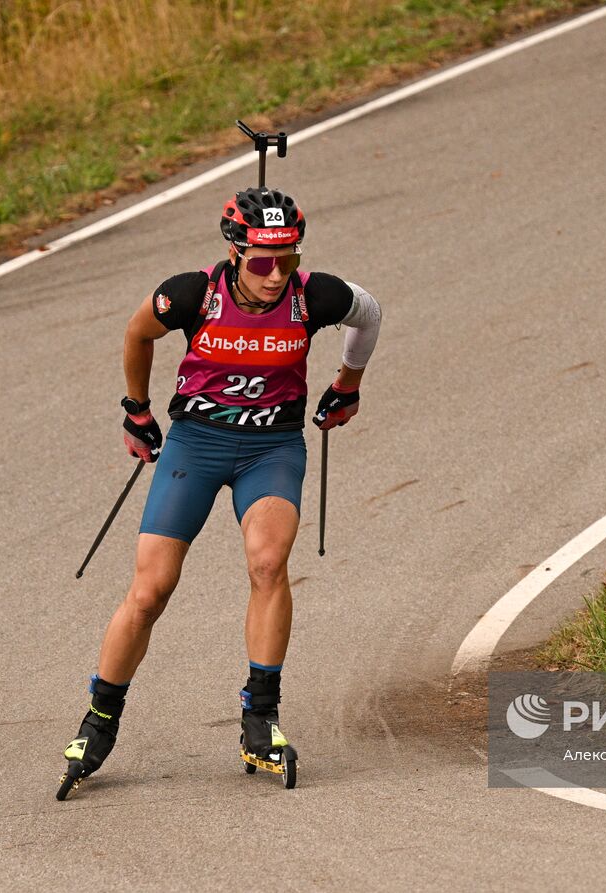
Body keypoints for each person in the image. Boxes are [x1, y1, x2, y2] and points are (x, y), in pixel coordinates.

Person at [62, 185, 381, 787]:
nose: (275, 274)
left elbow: (370, 314)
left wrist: (348, 384)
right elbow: (137, 335)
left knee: (268, 563)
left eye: (287, 258)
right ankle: (99, 718)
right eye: (262, 260)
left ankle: (261, 718)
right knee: (151, 590)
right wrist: (136, 410)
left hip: (272, 448)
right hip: (195, 446)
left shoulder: (315, 295)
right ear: (234, 252)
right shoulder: (191, 294)